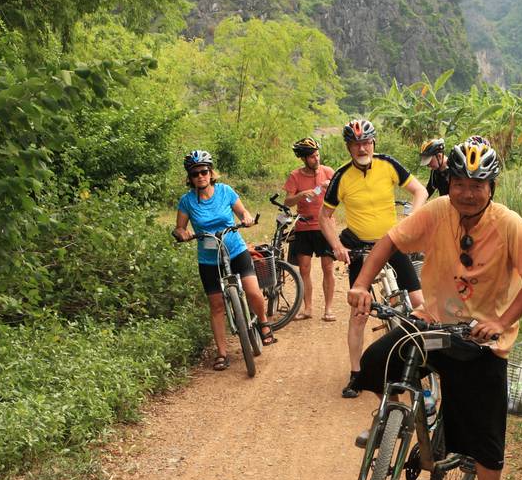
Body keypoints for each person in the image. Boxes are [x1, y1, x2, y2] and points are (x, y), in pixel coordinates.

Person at [347, 138, 522, 480]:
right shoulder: (438, 212)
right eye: (459, 183)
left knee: (487, 430)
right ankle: (392, 419)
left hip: (479, 338)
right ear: (449, 182)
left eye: (478, 184)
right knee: (376, 361)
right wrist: (361, 284)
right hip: (432, 323)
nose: (467, 193)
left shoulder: (509, 223)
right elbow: (389, 242)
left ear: (492, 187)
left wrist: (501, 322)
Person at [319, 118, 427, 397]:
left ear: (373, 143)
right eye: (355, 144)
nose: (362, 148)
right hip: (360, 250)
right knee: (358, 314)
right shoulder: (341, 177)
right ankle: (356, 374)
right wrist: (337, 247)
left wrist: (411, 219)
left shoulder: (388, 164)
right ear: (348, 147)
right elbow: (324, 216)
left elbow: (419, 190)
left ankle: (424, 364)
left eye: (366, 142)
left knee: (419, 303)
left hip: (392, 242)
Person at [172, 150, 273, 370]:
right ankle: (222, 353)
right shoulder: (187, 201)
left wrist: (246, 219)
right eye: (195, 173)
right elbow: (179, 227)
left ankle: (263, 323)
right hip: (209, 260)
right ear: (189, 177)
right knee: (216, 305)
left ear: (211, 172)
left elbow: (243, 213)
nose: (200, 176)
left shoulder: (225, 191)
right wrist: (183, 233)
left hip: (235, 250)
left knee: (253, 291)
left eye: (204, 171)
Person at [282, 137, 337, 321]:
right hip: (304, 227)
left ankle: (328, 309)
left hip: (325, 227)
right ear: (303, 159)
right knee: (304, 270)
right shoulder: (295, 176)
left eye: (317, 155)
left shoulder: (329, 172)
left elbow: (343, 194)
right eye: (312, 157)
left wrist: (333, 189)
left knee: (327, 267)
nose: (317, 159)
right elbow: (287, 202)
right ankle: (308, 308)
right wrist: (300, 195)